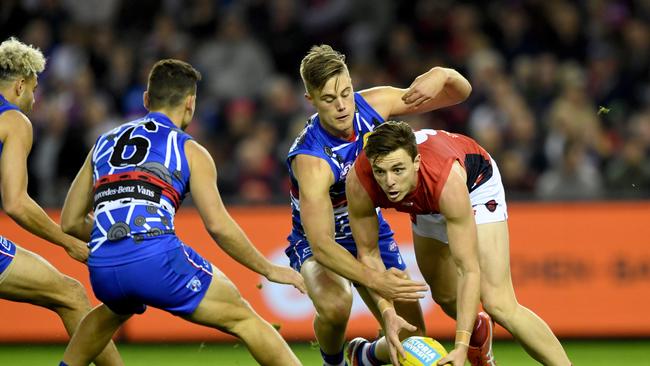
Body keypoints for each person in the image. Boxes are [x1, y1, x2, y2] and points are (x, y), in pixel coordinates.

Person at [59, 59, 306, 366]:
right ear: (191, 103)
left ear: (147, 100)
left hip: (102, 268)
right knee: (243, 318)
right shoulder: (190, 150)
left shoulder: (103, 143)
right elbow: (218, 226)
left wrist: (111, 236)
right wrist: (269, 269)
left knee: (115, 309)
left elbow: (69, 221)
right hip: (154, 258)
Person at [285, 45, 484, 366]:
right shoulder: (312, 160)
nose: (342, 106)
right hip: (319, 239)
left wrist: (443, 73)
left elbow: (459, 94)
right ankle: (332, 362)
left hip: (368, 228)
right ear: (311, 100)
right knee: (337, 305)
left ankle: (363, 355)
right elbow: (322, 245)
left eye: (346, 93)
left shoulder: (374, 103)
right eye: (329, 99)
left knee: (412, 337)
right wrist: (376, 282)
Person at [346, 121, 573, 366]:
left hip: (474, 184)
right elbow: (368, 254)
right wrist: (387, 312)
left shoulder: (446, 182)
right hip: (425, 202)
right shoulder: (360, 181)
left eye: (398, 170)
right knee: (444, 296)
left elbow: (468, 269)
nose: (389, 181)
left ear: (416, 162)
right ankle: (479, 333)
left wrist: (460, 346)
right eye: (381, 171)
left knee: (498, 303)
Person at [0, 37, 122, 365]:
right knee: (70, 293)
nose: (35, 100)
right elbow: (15, 202)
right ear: (20, 85)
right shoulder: (12, 120)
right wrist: (67, 240)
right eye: (34, 89)